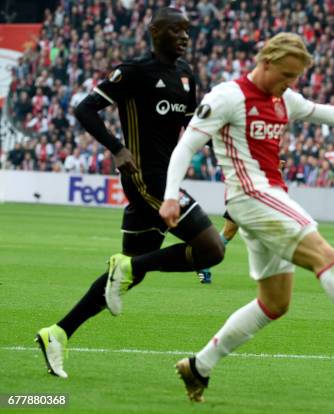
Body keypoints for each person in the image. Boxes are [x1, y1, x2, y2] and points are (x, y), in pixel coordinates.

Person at [160, 32, 334, 402]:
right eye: (285, 75)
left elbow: (331, 113)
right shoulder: (228, 97)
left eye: (295, 78)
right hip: (252, 196)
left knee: (274, 303)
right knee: (324, 255)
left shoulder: (284, 99)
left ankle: (199, 365)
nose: (289, 83)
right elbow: (186, 147)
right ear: (265, 62)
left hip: (266, 201)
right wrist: (170, 197)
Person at [35, 8, 226, 379]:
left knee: (131, 271)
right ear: (156, 32)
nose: (185, 37)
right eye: (177, 30)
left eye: (188, 30)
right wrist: (117, 148)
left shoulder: (187, 77)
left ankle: (57, 333)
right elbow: (85, 109)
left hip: (165, 180)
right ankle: (125, 268)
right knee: (211, 249)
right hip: (146, 179)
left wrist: (228, 157)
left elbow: (192, 130)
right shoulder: (134, 71)